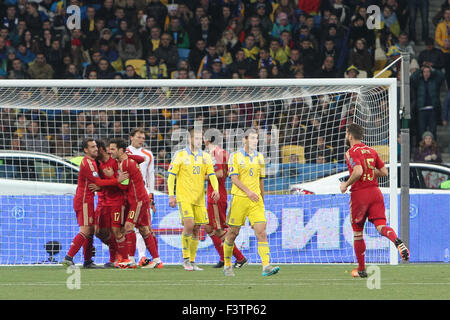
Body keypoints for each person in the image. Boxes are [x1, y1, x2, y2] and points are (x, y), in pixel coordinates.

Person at [340, 124, 409, 278]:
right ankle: (397, 241)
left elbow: (358, 171)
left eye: (346, 133)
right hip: (375, 192)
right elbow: (384, 172)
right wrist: (369, 172)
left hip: (360, 195)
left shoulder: (350, 152)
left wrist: (346, 184)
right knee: (381, 226)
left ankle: (362, 270)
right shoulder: (371, 151)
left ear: (350, 136)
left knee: (358, 233)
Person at [61, 138, 128, 268]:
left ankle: (87, 261)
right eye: (92, 147)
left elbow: (98, 183)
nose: (95, 149)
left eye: (96, 146)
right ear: (86, 150)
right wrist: (117, 180)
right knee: (86, 230)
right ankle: (68, 257)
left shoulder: (94, 162)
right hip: (84, 200)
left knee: (91, 230)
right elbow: (97, 182)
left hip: (90, 200)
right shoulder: (88, 163)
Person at [223, 129, 280, 277]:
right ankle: (227, 264)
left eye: (257, 139)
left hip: (256, 201)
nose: (255, 141)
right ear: (245, 140)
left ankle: (266, 266)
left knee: (261, 232)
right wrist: (248, 192)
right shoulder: (235, 156)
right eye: (253, 138)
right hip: (239, 199)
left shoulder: (260, 157)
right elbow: (234, 178)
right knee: (233, 233)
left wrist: (262, 198)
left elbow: (261, 179)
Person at [167, 129, 220, 271]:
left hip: (199, 198)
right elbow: (171, 176)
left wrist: (216, 189)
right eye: (195, 138)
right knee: (189, 225)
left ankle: (192, 260)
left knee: (197, 229)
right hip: (184, 197)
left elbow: (212, 175)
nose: (198, 141)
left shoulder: (206, 157)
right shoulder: (180, 155)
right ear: (189, 139)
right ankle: (185, 259)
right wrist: (171, 195)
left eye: (200, 138)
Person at [109, 138, 160, 268]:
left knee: (128, 227)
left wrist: (113, 178)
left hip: (137, 201)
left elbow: (124, 186)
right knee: (144, 229)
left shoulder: (124, 164)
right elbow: (142, 159)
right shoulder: (129, 160)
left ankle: (130, 259)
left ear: (121, 150)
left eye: (113, 149)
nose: (110, 152)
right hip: (141, 199)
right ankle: (157, 260)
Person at [204, 136, 247, 269]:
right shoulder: (224, 153)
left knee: (219, 229)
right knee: (208, 227)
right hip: (217, 193)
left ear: (206, 141)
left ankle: (240, 258)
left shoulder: (216, 153)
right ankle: (223, 257)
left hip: (216, 195)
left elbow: (220, 173)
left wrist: (198, 176)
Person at [126, 128, 162, 269]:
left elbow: (150, 175)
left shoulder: (148, 154)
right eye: (139, 137)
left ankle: (141, 256)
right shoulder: (125, 152)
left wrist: (151, 194)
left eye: (143, 137)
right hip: (127, 194)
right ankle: (128, 257)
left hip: (143, 194)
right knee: (127, 227)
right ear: (131, 137)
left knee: (142, 227)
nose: (141, 140)